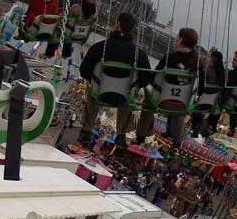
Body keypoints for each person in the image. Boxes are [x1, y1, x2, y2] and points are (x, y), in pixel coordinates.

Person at [78, 12, 153, 147]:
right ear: (131, 29)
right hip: (123, 98)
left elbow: (84, 70)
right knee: (129, 97)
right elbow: (146, 79)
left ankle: (86, 130)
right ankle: (121, 134)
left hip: (99, 94)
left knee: (92, 94)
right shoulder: (140, 55)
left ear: (117, 24)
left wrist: (94, 81)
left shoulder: (99, 47)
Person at [136, 27, 200, 146]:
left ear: (181, 40)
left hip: (161, 102)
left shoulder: (169, 58)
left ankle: (141, 136)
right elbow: (199, 88)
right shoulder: (196, 64)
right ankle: (177, 141)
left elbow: (153, 79)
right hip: (182, 105)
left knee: (149, 102)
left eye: (176, 37)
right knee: (181, 102)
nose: (174, 40)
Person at [192, 49, 225, 138]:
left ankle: (197, 128)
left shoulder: (207, 71)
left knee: (194, 108)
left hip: (200, 103)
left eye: (209, 56)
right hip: (210, 104)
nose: (207, 58)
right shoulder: (221, 75)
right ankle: (199, 129)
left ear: (213, 60)